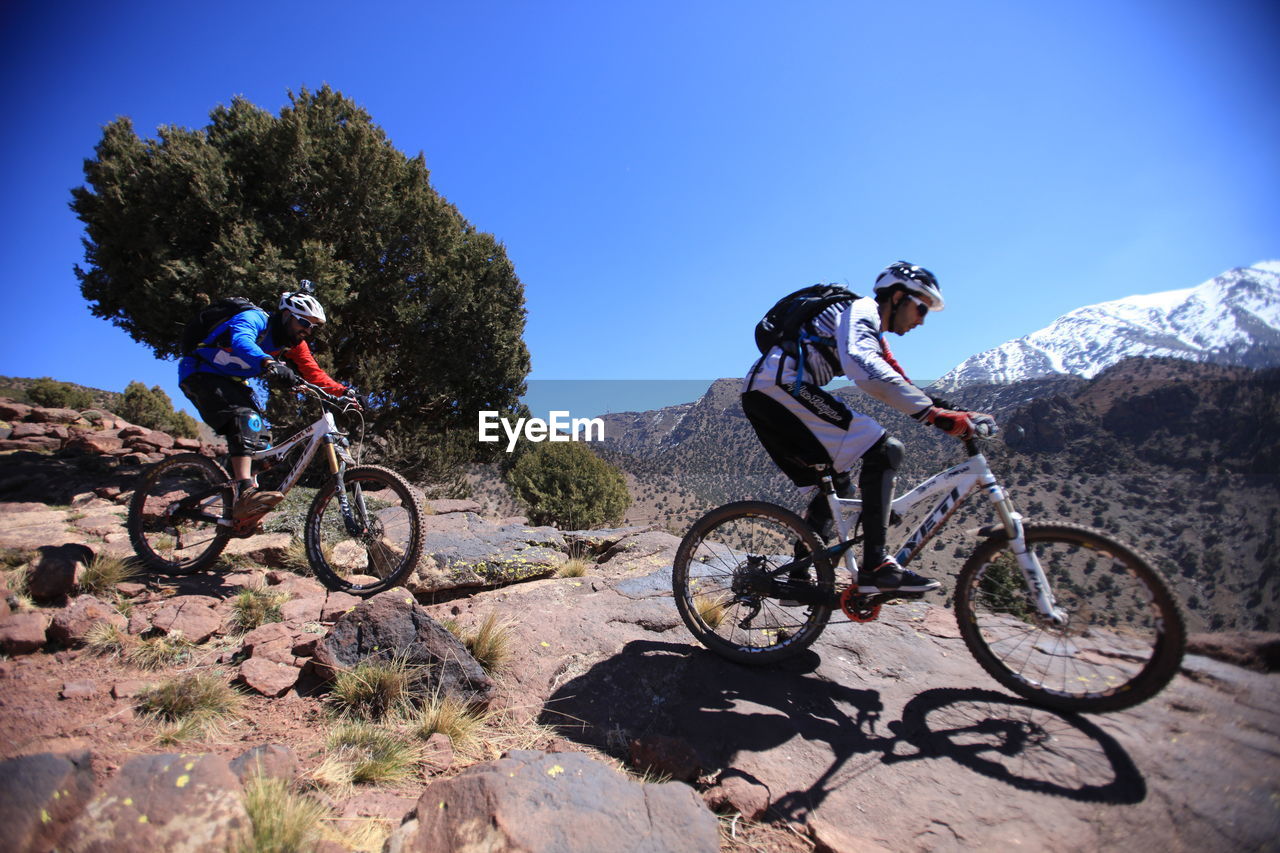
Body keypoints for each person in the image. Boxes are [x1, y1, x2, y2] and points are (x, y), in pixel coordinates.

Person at [742, 261, 995, 595]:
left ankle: (799, 580)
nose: (922, 319)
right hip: (781, 388)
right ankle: (876, 565)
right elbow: (863, 367)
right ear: (899, 297)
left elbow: (897, 379)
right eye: (921, 308)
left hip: (768, 392)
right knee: (886, 448)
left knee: (836, 486)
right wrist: (932, 416)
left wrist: (950, 411)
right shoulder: (861, 310)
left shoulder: (868, 330)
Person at [178, 285, 355, 519]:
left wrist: (346, 392)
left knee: (263, 445)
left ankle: (242, 508)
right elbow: (242, 341)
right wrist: (268, 363)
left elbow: (314, 374)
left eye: (314, 327)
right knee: (245, 420)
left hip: (234, 382)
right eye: (304, 323)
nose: (308, 331)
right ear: (286, 315)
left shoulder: (293, 345)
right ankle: (245, 493)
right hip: (201, 373)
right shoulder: (255, 319)